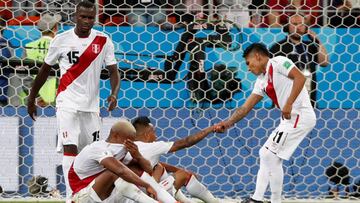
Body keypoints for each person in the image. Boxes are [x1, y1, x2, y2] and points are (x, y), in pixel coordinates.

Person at [27, 1, 121, 202]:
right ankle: (72, 197)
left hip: (91, 107)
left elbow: (114, 71)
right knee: (70, 147)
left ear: (95, 18)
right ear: (75, 16)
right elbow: (44, 70)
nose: (86, 21)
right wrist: (31, 97)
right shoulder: (60, 40)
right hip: (67, 103)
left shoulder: (104, 40)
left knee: (91, 153)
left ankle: (88, 194)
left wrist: (114, 93)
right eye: (83, 17)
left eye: (90, 17)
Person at [214, 43, 316, 203]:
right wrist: (227, 123)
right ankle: (266, 199)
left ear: (257, 56)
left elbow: (300, 77)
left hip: (300, 116)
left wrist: (288, 103)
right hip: (289, 120)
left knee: (270, 155)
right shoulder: (261, 81)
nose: (248, 68)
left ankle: (262, 199)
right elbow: (245, 107)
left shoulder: (279, 62)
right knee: (267, 155)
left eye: (248, 63)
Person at [124, 116, 220, 203]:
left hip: (129, 194)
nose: (156, 136)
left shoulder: (129, 147)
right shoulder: (152, 147)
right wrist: (211, 129)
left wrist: (176, 169)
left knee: (159, 168)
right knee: (184, 175)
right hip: (149, 194)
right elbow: (186, 142)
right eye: (154, 132)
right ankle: (214, 201)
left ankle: (184, 200)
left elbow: (150, 163)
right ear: (147, 134)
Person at [69, 119, 158, 203]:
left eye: (132, 141)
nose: (130, 143)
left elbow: (149, 169)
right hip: (83, 196)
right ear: (116, 135)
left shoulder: (124, 149)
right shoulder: (97, 148)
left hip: (104, 196)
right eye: (128, 139)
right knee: (115, 172)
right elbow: (120, 171)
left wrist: (138, 156)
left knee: (133, 168)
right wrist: (147, 185)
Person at [269, 13, 329, 107]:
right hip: (285, 99)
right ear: (287, 27)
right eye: (294, 24)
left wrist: (317, 41)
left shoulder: (310, 46)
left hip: (308, 98)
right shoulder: (277, 47)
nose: (298, 27)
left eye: (301, 24)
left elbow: (324, 62)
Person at [24, 13, 62, 107]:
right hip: (56, 100)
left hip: (32, 102)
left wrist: (37, 98)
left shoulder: (29, 47)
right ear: (55, 28)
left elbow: (24, 78)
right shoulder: (60, 47)